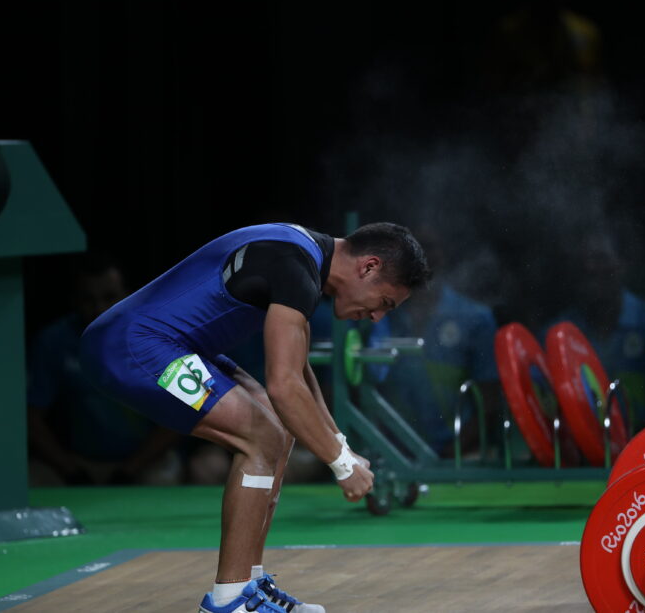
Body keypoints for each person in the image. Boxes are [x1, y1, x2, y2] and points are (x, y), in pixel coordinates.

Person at [79, 222, 430, 613]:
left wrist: (341, 445)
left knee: (279, 429)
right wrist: (341, 464)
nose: (378, 317)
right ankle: (228, 600)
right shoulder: (295, 267)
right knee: (262, 434)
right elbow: (283, 386)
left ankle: (249, 586)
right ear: (368, 267)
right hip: (133, 346)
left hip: (170, 344)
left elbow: (298, 374)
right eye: (385, 302)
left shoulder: (305, 257)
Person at [27, 253, 183, 486]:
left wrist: (130, 469)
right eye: (88, 299)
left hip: (146, 461)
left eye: (109, 297)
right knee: (29, 478)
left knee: (164, 478)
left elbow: (184, 409)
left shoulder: (159, 336)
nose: (98, 308)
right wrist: (70, 469)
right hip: (76, 462)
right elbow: (31, 416)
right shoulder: (53, 341)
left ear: (128, 296)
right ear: (74, 300)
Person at [368, 228, 500, 457]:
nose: (421, 257)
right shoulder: (380, 315)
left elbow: (488, 404)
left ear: (443, 255)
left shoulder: (475, 319)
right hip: (393, 456)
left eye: (428, 248)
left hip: (459, 456)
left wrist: (445, 459)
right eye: (411, 250)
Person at [545, 228, 645, 431]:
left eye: (600, 258)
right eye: (584, 262)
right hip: (582, 453)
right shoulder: (558, 334)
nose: (591, 267)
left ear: (622, 265)